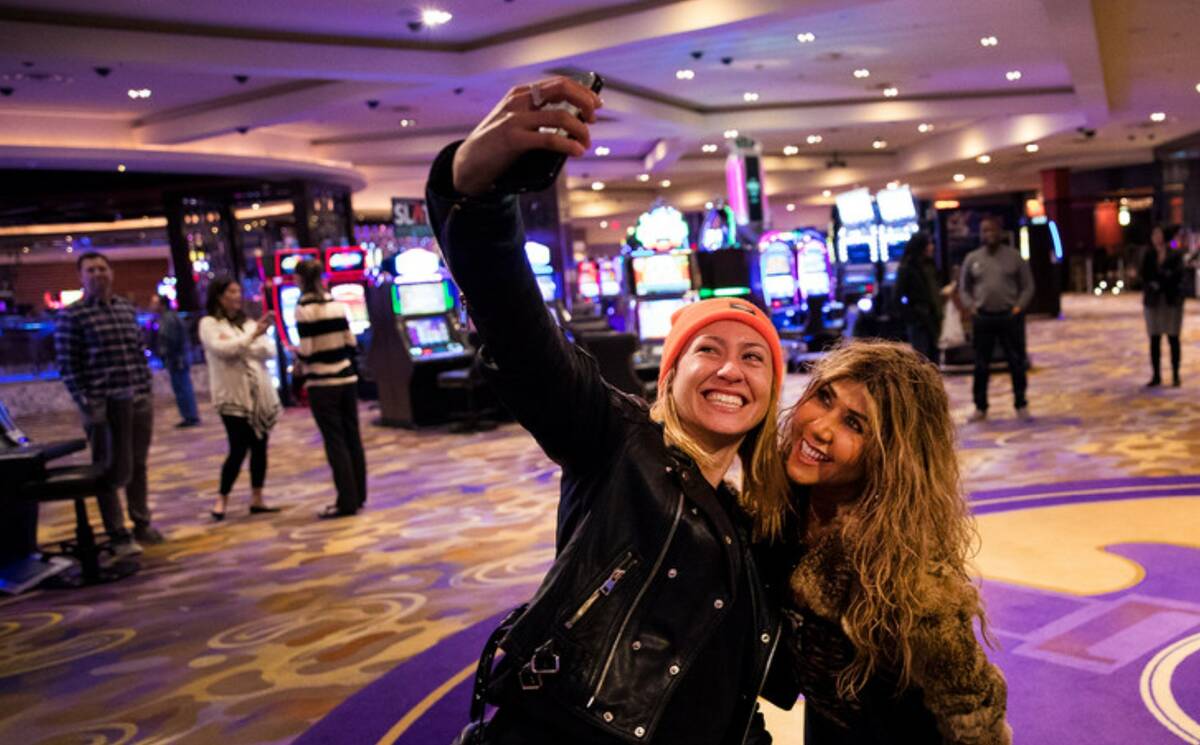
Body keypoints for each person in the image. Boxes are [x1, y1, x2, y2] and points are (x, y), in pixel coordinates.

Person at [427, 75, 798, 745]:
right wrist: (473, 194)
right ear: (669, 374)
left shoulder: (753, 519)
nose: (730, 370)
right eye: (708, 348)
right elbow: (519, 330)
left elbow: (733, 688)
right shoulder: (616, 440)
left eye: (755, 358)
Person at [779, 340, 1010, 744]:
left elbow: (970, 705)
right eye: (823, 397)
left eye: (855, 424)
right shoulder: (782, 510)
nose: (820, 427)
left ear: (891, 456)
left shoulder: (908, 573)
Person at [54, 251, 162, 552]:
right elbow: (68, 365)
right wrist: (86, 403)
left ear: (111, 273)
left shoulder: (125, 308)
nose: (98, 274)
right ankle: (117, 532)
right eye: (91, 270)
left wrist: (146, 387)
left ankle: (141, 522)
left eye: (102, 268)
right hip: (102, 402)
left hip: (137, 398)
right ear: (81, 277)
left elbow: (139, 352)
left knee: (137, 464)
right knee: (108, 467)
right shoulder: (72, 315)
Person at [198, 278, 282, 520]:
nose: (237, 295)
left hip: (259, 395)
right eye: (232, 291)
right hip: (232, 397)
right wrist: (252, 338)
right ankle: (221, 497)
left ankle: (257, 497)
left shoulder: (246, 322)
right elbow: (222, 351)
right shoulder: (209, 323)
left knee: (260, 447)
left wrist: (245, 342)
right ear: (219, 295)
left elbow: (268, 350)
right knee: (238, 447)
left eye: (238, 291)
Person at [293, 259, 368, 518]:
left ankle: (346, 501)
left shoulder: (304, 308)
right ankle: (359, 495)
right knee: (353, 438)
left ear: (300, 280)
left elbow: (307, 349)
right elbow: (350, 341)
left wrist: (297, 361)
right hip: (346, 378)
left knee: (335, 442)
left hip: (322, 382)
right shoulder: (337, 304)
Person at [959, 217, 1035, 422]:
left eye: (992, 230)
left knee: (1016, 362)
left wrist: (1019, 306)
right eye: (984, 230)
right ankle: (980, 406)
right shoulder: (972, 258)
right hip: (983, 318)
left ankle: (1021, 403)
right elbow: (963, 288)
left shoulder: (1014, 257)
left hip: (1010, 317)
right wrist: (971, 306)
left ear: (1000, 232)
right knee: (981, 364)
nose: (988, 234)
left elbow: (1028, 286)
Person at [1142, 225, 1186, 387]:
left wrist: (1163, 280)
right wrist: (1155, 283)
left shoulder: (1175, 254)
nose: (1156, 237)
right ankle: (1156, 375)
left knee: (1173, 337)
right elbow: (1144, 275)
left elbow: (1178, 275)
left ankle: (1175, 374)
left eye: (1159, 234)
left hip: (1171, 300)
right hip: (1153, 301)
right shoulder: (1148, 254)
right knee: (1155, 338)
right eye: (1154, 234)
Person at [150, 293, 201, 427]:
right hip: (179, 359)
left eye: (155, 303)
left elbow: (170, 341)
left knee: (182, 388)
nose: (152, 306)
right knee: (183, 387)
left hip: (177, 360)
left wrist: (164, 353)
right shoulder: (170, 317)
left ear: (161, 305)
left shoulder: (168, 319)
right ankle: (190, 416)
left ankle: (190, 416)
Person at [893, 232, 942, 363]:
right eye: (929, 244)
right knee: (922, 360)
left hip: (933, 317)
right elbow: (896, 297)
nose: (932, 247)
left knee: (934, 359)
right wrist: (912, 316)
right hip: (919, 320)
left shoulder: (930, 265)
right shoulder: (907, 268)